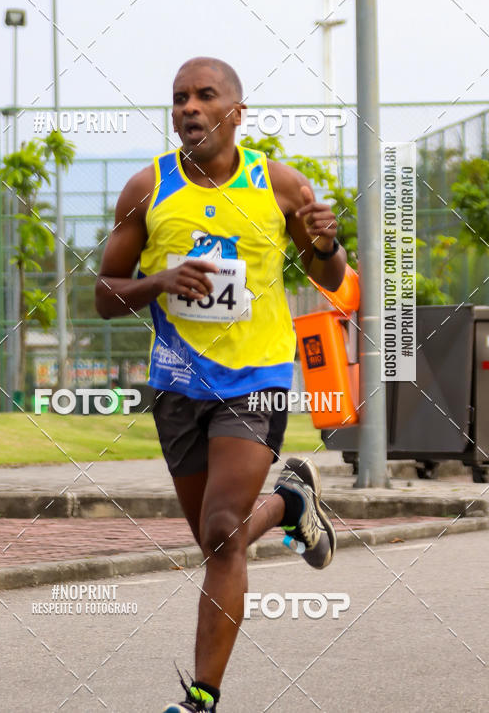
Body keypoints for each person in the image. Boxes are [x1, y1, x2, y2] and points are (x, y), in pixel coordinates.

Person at [96, 57, 347, 712]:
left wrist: (328, 244)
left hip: (257, 378)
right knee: (217, 542)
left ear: (236, 112)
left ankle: (201, 698)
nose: (189, 107)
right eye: (180, 97)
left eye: (205, 96)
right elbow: (102, 295)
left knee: (222, 530)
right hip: (178, 385)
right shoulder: (147, 188)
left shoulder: (280, 185)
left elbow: (328, 275)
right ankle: (290, 504)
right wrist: (158, 281)